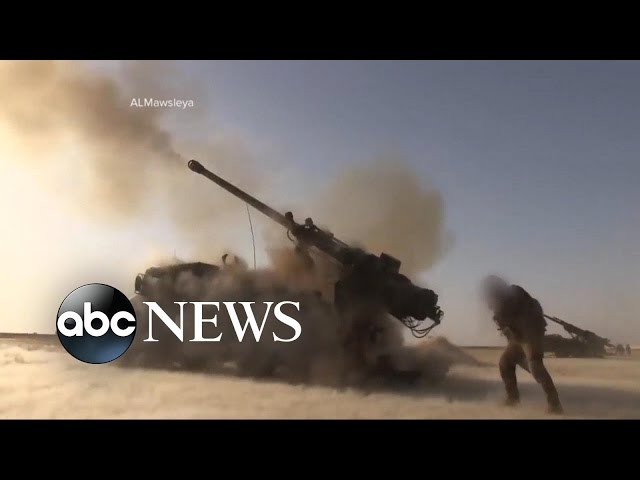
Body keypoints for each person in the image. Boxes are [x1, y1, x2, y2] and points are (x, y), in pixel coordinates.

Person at [481, 275, 563, 414]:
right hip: (518, 337)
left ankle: (555, 405)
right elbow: (505, 324)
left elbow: (525, 312)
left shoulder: (515, 292)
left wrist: (502, 315)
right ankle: (513, 398)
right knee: (505, 363)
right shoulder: (497, 302)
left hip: (531, 335)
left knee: (535, 366)